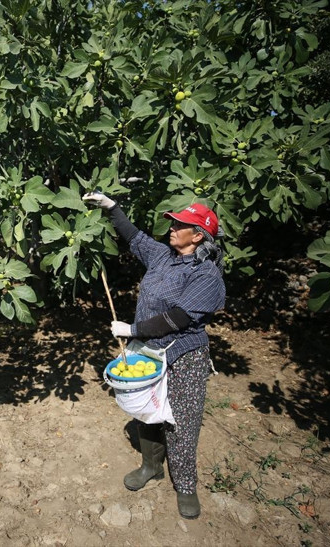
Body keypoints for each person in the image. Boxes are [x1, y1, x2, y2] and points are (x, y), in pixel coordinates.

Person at [82, 191, 226, 519]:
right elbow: (134, 236)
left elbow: (178, 318)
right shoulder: (162, 256)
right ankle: (151, 466)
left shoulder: (206, 275)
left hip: (184, 355)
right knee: (145, 411)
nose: (172, 227)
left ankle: (186, 485)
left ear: (199, 235)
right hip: (149, 351)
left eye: (181, 225)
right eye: (174, 222)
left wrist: (131, 331)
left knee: (183, 422)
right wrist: (111, 207)